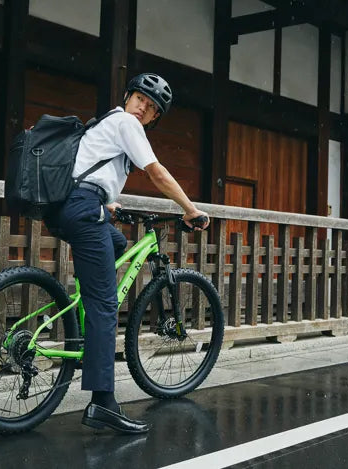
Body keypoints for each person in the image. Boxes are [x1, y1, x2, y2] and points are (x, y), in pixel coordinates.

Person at [44, 73, 210, 434]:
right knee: (105, 305)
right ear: (128, 97)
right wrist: (190, 209)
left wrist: (108, 203)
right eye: (141, 100)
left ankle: (87, 296)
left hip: (78, 205)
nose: (143, 109)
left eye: (151, 109)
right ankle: (103, 403)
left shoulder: (107, 122)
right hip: (84, 209)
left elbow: (92, 170)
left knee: (118, 244)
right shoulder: (125, 121)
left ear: (154, 118)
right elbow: (157, 173)